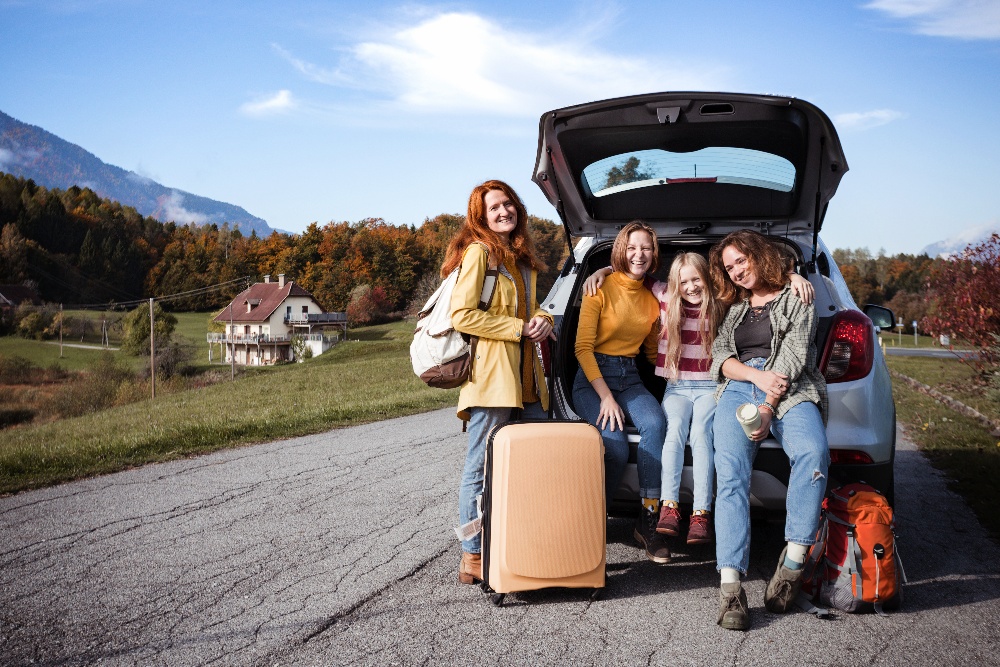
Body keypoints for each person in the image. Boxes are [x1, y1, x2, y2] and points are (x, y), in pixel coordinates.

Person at [583, 252, 812, 547]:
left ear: (708, 280)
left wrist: (792, 276)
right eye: (684, 282)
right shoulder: (665, 295)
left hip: (709, 388)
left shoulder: (721, 300)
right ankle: (668, 507)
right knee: (673, 432)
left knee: (702, 435)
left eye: (696, 280)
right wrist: (601, 270)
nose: (690, 287)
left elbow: (756, 284)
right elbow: (633, 274)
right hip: (676, 387)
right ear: (674, 285)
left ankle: (700, 513)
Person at [708, 229, 829, 632]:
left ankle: (792, 564)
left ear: (759, 255)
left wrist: (767, 406)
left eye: (742, 261)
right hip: (741, 386)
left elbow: (794, 355)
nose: (738, 271)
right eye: (730, 267)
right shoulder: (734, 306)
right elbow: (720, 356)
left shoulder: (798, 295)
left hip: (790, 388)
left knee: (813, 454)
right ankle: (730, 590)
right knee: (730, 474)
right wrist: (752, 381)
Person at [444, 179, 554, 586]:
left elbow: (534, 309)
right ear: (482, 217)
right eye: (494, 208)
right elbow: (462, 315)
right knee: (480, 468)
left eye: (508, 204)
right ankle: (472, 555)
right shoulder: (480, 253)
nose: (504, 211)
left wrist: (543, 320)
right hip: (492, 379)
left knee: (536, 464)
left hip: (528, 379)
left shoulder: (521, 259)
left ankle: (524, 540)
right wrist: (517, 329)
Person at [572, 221, 669, 564]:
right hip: (592, 378)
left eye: (645, 248)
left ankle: (647, 521)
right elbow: (582, 349)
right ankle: (593, 524)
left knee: (656, 425)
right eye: (632, 247)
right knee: (613, 445)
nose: (639, 254)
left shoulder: (653, 300)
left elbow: (650, 352)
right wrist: (606, 398)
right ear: (621, 252)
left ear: (653, 253)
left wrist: (671, 341)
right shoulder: (598, 287)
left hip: (628, 376)